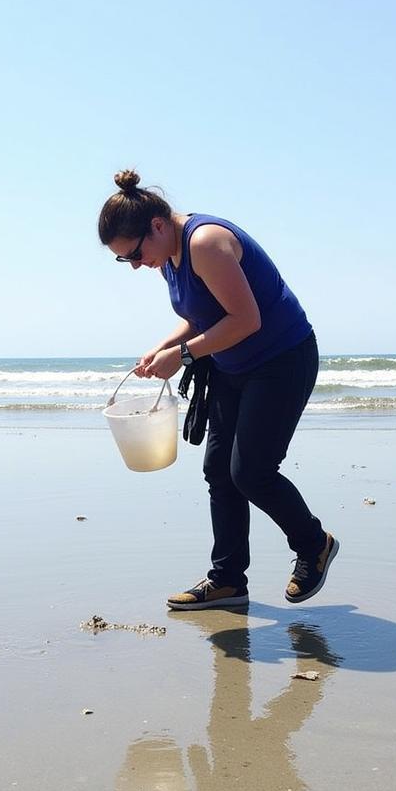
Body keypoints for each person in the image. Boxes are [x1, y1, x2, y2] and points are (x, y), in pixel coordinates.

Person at [98, 169, 339, 610]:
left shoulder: (205, 243)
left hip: (281, 360)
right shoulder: (165, 254)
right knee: (219, 471)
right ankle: (227, 580)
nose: (135, 265)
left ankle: (314, 544)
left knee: (251, 472)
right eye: (124, 260)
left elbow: (247, 320)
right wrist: (165, 345)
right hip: (233, 365)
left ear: (157, 225)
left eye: (134, 253)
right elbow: (205, 312)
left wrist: (185, 355)